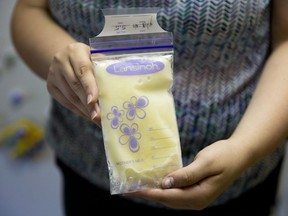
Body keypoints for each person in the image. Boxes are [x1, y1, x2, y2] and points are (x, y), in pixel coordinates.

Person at [10, 0, 288, 215]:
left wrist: (244, 148)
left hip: (237, 178)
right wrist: (63, 62)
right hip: (92, 170)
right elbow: (30, 9)